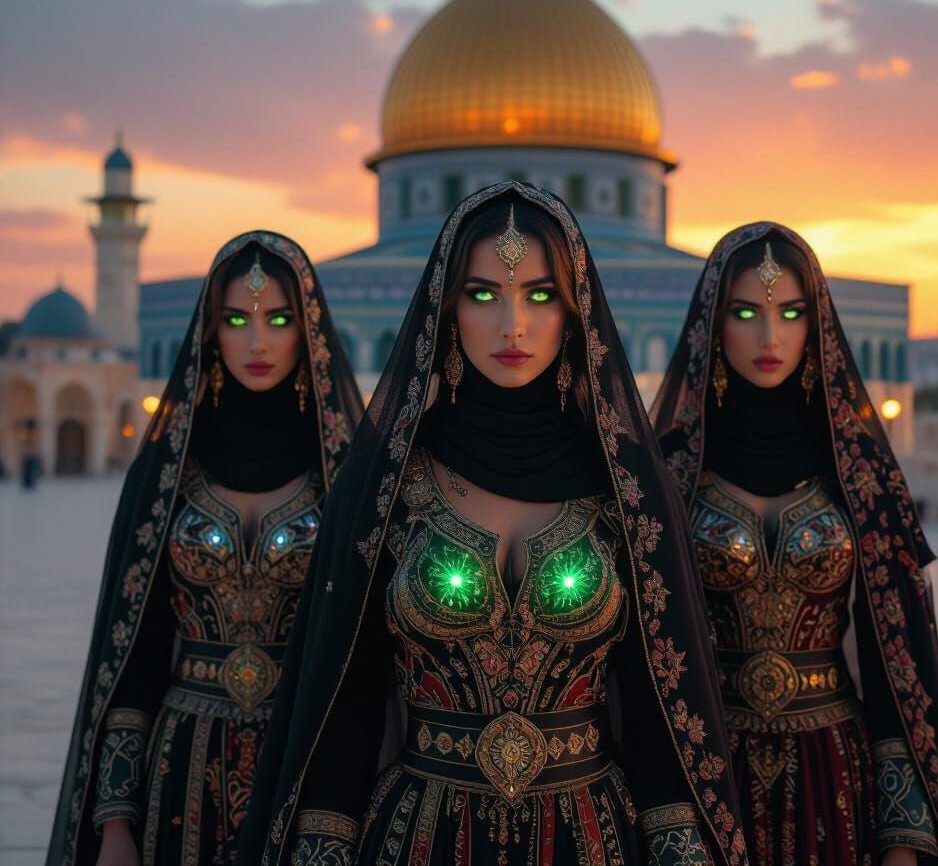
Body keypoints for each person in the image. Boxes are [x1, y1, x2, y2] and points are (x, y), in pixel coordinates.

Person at [239, 182, 750, 866]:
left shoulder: (624, 485)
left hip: (588, 840)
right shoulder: (388, 483)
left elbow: (664, 707)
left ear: (575, 313)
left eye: (540, 296)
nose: (513, 325)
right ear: (447, 312)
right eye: (483, 296)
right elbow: (344, 705)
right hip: (420, 841)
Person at [651, 224, 938, 866]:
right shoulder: (670, 471)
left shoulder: (859, 471)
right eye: (745, 313)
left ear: (817, 323)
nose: (770, 338)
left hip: (835, 776)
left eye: (791, 313)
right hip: (708, 775)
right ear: (712, 326)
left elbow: (898, 666)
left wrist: (903, 836)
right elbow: (648, 659)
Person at [47, 232, 363, 866]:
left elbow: (360, 662)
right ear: (210, 331)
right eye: (236, 320)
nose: (257, 342)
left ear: (308, 330)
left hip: (301, 769)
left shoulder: (343, 471)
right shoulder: (170, 472)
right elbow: (132, 655)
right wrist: (115, 822)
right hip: (180, 773)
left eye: (279, 320)